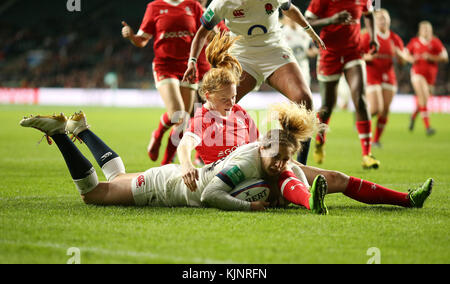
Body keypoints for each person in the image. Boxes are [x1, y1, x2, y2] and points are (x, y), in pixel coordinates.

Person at [18, 104, 329, 214]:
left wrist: (302, 195)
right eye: (277, 158)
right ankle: (60, 133)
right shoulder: (250, 161)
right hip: (163, 188)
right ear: (264, 148)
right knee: (94, 194)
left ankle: (83, 131)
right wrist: (251, 206)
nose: (281, 165)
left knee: (114, 179)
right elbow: (211, 195)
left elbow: (294, 176)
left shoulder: (260, 152)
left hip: (170, 180)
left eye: (285, 161)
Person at [182, 0, 326, 166]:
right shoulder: (221, 3)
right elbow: (201, 33)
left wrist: (310, 32)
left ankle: (296, 169)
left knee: (305, 100)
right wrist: (191, 61)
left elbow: (289, 9)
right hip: (242, 57)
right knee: (214, 103)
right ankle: (208, 158)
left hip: (274, 52)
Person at [121, 0, 205, 165]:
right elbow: (142, 40)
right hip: (164, 66)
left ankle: (165, 164)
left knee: (184, 121)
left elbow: (206, 32)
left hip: (188, 66)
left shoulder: (193, 6)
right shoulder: (154, 7)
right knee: (178, 114)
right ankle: (158, 135)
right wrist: (131, 36)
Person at [177, 32, 259, 191]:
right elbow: (184, 145)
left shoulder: (238, 111)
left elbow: (258, 144)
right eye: (225, 99)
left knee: (288, 164)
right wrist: (187, 166)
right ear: (208, 96)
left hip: (252, 168)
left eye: (234, 97)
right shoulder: (202, 119)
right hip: (229, 179)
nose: (231, 103)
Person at [305, 0, 380, 169]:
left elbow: (369, 15)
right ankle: (320, 141)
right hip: (328, 53)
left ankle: (367, 155)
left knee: (360, 99)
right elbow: (306, 21)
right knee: (327, 107)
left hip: (353, 52)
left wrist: (373, 37)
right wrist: (331, 20)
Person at [361, 9, 412, 147]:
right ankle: (362, 122)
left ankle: (376, 140)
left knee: (385, 111)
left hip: (389, 76)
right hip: (372, 74)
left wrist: (401, 56)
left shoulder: (395, 38)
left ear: (389, 21)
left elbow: (404, 61)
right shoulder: (368, 37)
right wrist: (368, 57)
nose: (383, 21)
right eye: (379, 18)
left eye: (385, 18)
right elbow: (357, 54)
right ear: (375, 22)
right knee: (376, 108)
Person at [406, 21, 448, 135]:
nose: (426, 31)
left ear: (431, 30)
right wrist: (411, 59)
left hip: (430, 77)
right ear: (420, 30)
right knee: (423, 96)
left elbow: (445, 57)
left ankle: (413, 116)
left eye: (428, 29)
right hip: (417, 74)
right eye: (424, 29)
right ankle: (428, 127)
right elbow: (405, 54)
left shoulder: (435, 42)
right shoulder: (414, 42)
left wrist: (431, 57)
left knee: (423, 100)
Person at [280, 15, 319, 88]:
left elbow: (311, 49)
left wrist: (314, 52)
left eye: (294, 17)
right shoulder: (281, 33)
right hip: (288, 65)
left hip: (302, 64)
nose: (292, 19)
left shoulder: (305, 32)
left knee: (304, 87)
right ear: (285, 19)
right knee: (291, 89)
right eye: (289, 17)